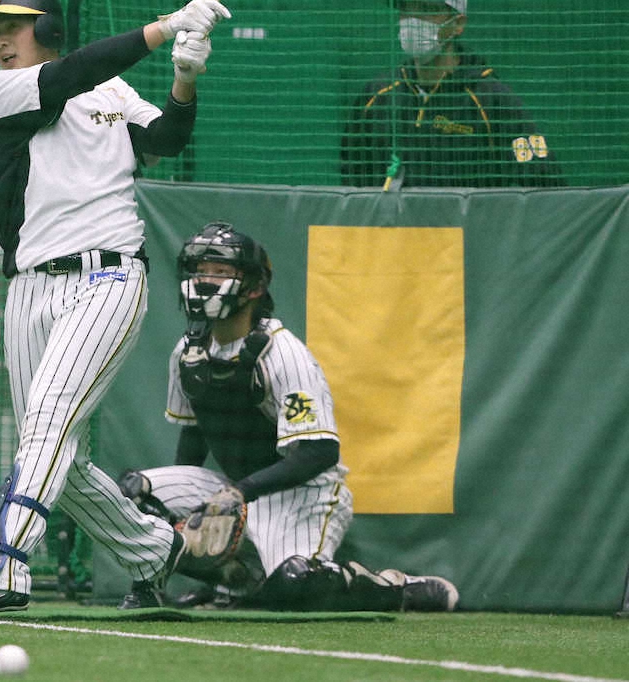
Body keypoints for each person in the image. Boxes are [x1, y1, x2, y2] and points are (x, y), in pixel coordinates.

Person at [0, 0, 230, 613]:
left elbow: (163, 139)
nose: (0, 41)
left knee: (49, 423)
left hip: (108, 277)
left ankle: (2, 566)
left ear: (49, 28)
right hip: (29, 288)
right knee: (60, 457)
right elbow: (67, 77)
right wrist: (166, 27)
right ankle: (154, 550)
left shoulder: (112, 90)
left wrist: (184, 80)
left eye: (13, 26)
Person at [117, 221, 459, 612]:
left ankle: (395, 589)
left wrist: (238, 494)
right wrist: (193, 518)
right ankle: (217, 583)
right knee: (133, 493)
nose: (205, 280)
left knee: (297, 584)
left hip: (302, 494)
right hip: (236, 487)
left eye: (220, 271)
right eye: (200, 270)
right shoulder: (188, 352)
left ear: (254, 287)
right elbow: (196, 436)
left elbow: (320, 452)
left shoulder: (281, 353)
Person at [341, 0, 562, 188]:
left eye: (426, 10)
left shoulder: (493, 101)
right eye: (406, 10)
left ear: (458, 24)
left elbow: (543, 184)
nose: (412, 21)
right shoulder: (377, 96)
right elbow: (354, 184)